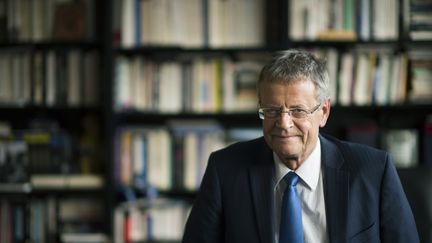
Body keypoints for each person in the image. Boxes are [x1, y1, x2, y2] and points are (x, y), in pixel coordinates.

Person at [182, 49, 419, 243]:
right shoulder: (225, 169)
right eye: (272, 111)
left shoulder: (373, 171)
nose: (284, 124)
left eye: (298, 111)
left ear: (323, 112)